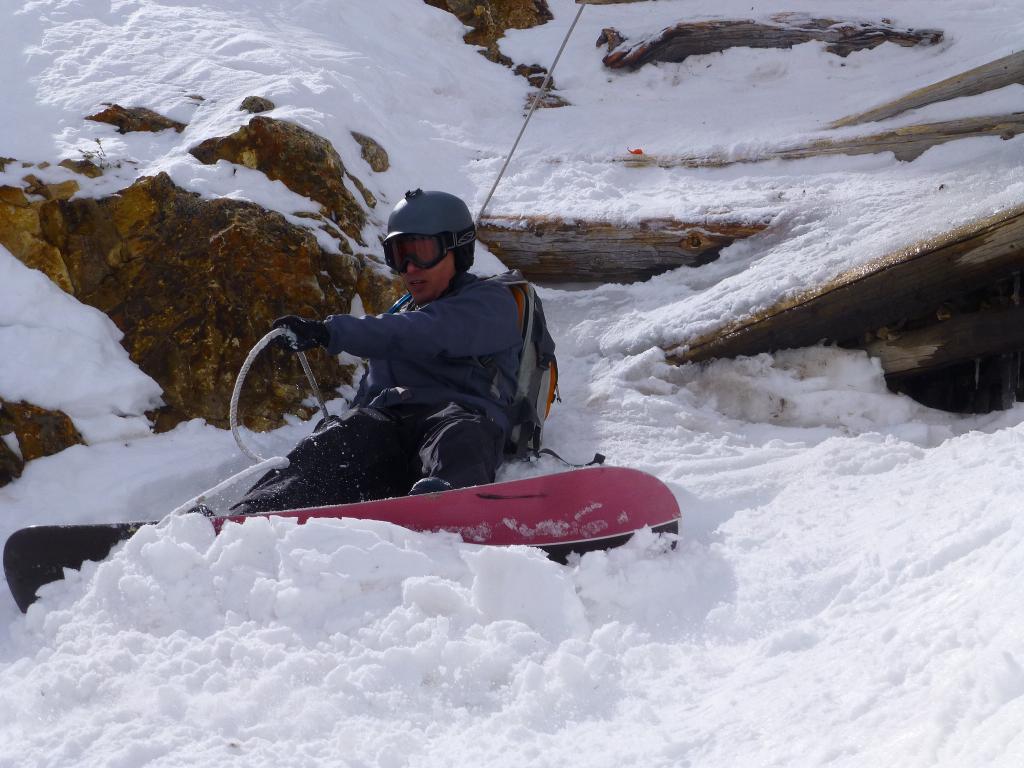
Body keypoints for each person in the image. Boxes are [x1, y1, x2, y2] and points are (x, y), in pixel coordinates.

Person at [229, 189, 523, 514]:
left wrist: (330, 332)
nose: (409, 268)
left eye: (422, 252)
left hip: (455, 417)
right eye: (399, 255)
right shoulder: (399, 317)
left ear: (458, 249)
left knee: (460, 434)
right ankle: (251, 515)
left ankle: (448, 506)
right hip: (388, 428)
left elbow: (425, 332)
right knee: (337, 440)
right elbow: (372, 388)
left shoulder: (491, 303)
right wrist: (339, 432)